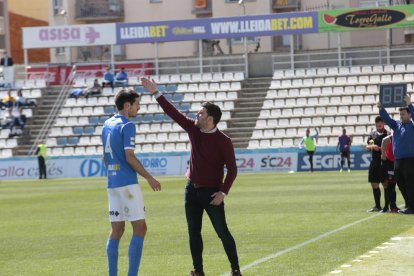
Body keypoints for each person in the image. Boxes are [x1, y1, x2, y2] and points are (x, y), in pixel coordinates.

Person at [141, 77, 242, 276]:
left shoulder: (224, 141)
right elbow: (173, 113)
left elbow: (232, 170)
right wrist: (156, 93)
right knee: (193, 232)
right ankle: (198, 271)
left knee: (222, 232)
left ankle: (236, 270)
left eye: (201, 113)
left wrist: (223, 192)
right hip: (191, 191)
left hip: (212, 194)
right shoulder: (193, 129)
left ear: (210, 119)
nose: (197, 114)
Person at [101, 88, 161, 276]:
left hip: (112, 184)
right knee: (140, 228)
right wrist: (149, 177)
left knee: (116, 230)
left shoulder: (106, 124)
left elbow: (104, 157)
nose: (138, 108)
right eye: (136, 104)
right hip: (127, 183)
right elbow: (130, 157)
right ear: (127, 106)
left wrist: (113, 174)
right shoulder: (127, 126)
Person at [378, 95, 414, 214]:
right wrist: (381, 109)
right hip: (398, 160)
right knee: (401, 183)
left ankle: (412, 207)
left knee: (410, 183)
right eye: (400, 114)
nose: (401, 116)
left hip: (410, 159)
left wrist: (409, 104)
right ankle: (409, 205)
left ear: (409, 114)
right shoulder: (396, 125)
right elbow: (387, 119)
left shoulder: (412, 125)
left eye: (403, 114)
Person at [365, 116, 388, 212]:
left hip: (385, 162)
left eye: (380, 122)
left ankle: (387, 207)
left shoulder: (388, 134)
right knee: (374, 184)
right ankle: (377, 206)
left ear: (383, 123)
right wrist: (372, 146)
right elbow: (368, 146)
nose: (379, 124)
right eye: (377, 123)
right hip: (374, 162)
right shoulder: (373, 135)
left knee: (386, 184)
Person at [381, 133, 400, 213]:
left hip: (397, 161)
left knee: (394, 185)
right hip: (390, 163)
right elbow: (384, 140)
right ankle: (392, 207)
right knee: (391, 185)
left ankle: (393, 206)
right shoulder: (391, 137)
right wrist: (384, 159)